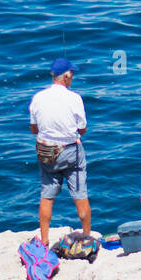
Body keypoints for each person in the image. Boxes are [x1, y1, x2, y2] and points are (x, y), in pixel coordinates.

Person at [29, 58, 90, 247]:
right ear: (66, 76)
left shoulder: (38, 97)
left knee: (47, 196)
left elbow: (33, 129)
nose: (72, 76)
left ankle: (44, 239)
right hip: (70, 152)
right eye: (71, 73)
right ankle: (87, 237)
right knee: (80, 195)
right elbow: (82, 130)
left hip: (46, 152)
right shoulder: (74, 98)